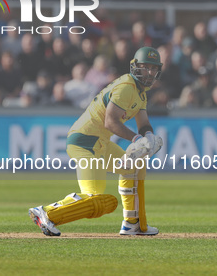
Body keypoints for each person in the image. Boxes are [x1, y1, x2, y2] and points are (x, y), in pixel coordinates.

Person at [28, 46, 164, 237]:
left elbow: (144, 123)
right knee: (97, 199)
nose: (149, 72)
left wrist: (148, 136)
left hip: (100, 142)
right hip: (84, 142)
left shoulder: (140, 93)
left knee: (134, 165)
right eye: (145, 67)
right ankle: (47, 212)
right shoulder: (127, 86)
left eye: (153, 68)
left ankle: (132, 224)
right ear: (135, 67)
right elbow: (110, 122)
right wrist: (136, 139)